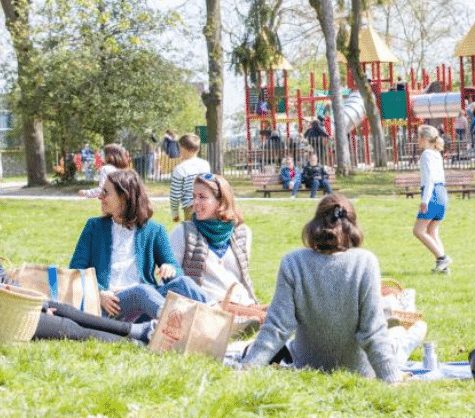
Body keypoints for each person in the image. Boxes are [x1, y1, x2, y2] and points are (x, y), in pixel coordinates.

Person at [0, 147, 153, 343]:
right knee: (64, 325)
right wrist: (40, 304)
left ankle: (136, 331)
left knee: (62, 310)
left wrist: (43, 302)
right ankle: (136, 340)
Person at [242, 194, 401, 382]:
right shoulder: (365, 262)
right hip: (358, 370)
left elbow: (277, 326)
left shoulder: (293, 262)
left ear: (316, 223)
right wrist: (392, 379)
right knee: (407, 334)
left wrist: (248, 368)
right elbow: (373, 331)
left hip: (307, 366)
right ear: (352, 227)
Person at [70, 169, 209, 322]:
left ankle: (220, 316)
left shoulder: (155, 230)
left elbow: (176, 270)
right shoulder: (94, 227)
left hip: (147, 305)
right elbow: (76, 271)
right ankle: (175, 324)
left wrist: (170, 269)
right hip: (111, 306)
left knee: (184, 283)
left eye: (106, 193)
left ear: (124, 197)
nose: (100, 197)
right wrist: (98, 293)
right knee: (140, 291)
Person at [168, 173, 258, 306]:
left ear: (221, 201)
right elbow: (171, 280)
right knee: (264, 318)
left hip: (242, 303)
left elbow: (242, 278)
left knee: (273, 312)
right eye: (194, 197)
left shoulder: (242, 233)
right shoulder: (183, 233)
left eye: (202, 197)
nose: (195, 203)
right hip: (205, 307)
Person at [412, 125, 451, 273]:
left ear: (423, 138)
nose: (417, 140)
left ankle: (442, 258)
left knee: (418, 231)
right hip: (442, 193)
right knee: (432, 231)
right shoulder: (437, 154)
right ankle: (443, 267)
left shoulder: (426, 155)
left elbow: (429, 180)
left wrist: (424, 201)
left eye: (418, 137)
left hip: (432, 194)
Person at [168, 133, 211, 222]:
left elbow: (175, 195)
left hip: (190, 208)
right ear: (198, 149)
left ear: (183, 149)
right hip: (206, 204)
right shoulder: (205, 165)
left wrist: (175, 213)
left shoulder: (179, 169)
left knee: (191, 233)